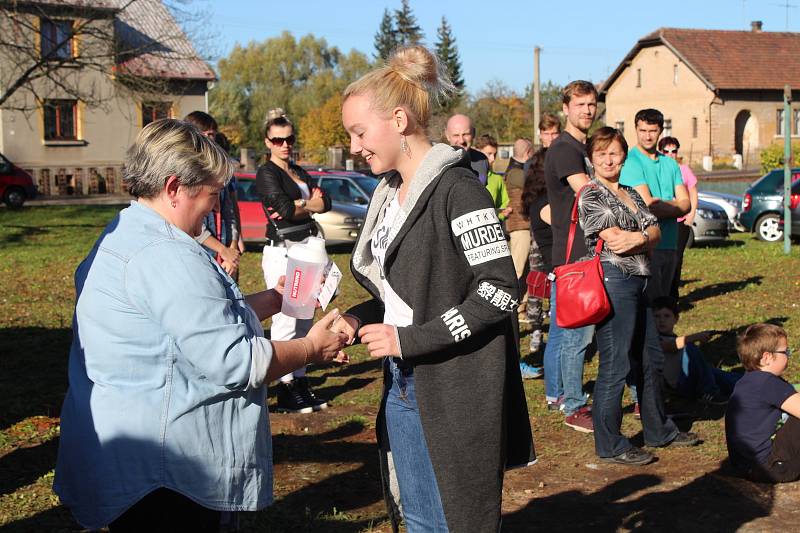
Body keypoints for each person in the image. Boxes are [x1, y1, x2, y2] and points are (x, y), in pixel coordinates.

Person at [53, 119, 348, 532]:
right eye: (212, 195)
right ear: (174, 188)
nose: (214, 207)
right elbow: (238, 361)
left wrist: (274, 299)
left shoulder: (127, 235)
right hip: (167, 472)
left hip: (136, 456)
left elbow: (189, 323)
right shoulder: (167, 256)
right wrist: (312, 348)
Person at [338, 45, 535, 532]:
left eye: (359, 132)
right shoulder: (389, 194)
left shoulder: (458, 190)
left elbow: (498, 291)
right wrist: (357, 319)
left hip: (455, 389)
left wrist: (410, 340)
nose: (354, 146)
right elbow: (406, 295)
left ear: (399, 120)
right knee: (421, 521)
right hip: (403, 386)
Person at [578, 126, 700, 466]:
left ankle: (658, 429)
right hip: (614, 281)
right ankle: (611, 443)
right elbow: (616, 239)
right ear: (592, 158)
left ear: (623, 155)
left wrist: (641, 237)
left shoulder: (630, 191)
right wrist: (642, 236)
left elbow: (658, 231)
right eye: (601, 154)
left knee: (650, 359)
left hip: (642, 280)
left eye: (614, 153)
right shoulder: (591, 194)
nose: (608, 159)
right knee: (616, 364)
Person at [256, 108, 333, 413]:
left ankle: (300, 381)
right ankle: (285, 385)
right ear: (267, 141)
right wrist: (307, 203)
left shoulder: (298, 171)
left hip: (307, 249)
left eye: (289, 139)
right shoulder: (266, 173)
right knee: (287, 317)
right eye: (278, 140)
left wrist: (307, 204)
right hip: (282, 251)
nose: (284, 145)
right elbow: (284, 209)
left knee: (304, 317)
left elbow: (325, 201)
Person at [543, 80, 597, 429]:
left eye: (592, 104)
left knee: (565, 330)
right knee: (577, 333)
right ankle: (573, 405)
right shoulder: (565, 148)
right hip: (574, 255)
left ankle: (560, 394)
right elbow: (589, 194)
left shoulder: (581, 146)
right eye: (580, 105)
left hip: (578, 252)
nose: (587, 110)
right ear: (566, 109)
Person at [619, 109, 689, 301]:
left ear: (660, 131)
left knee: (666, 302)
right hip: (647, 246)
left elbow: (687, 204)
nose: (647, 136)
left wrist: (668, 206)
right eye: (642, 130)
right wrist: (676, 206)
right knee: (650, 306)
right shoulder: (630, 162)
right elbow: (648, 206)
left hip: (670, 243)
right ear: (636, 129)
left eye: (652, 131)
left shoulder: (670, 164)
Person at [726, 323, 800, 483]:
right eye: (785, 352)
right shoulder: (769, 383)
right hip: (773, 468)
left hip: (747, 466)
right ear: (767, 357)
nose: (788, 355)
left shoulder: (747, 381)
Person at [183, 111, 243, 279]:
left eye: (213, 135)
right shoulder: (187, 175)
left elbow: (229, 212)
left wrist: (232, 249)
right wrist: (223, 251)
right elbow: (193, 224)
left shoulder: (220, 170)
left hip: (225, 254)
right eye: (208, 134)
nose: (213, 139)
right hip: (201, 256)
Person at [652, 296, 742, 404]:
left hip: (693, 379)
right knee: (690, 348)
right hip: (680, 386)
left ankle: (753, 384)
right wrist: (695, 337)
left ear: (675, 319)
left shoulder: (675, 338)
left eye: (666, 316)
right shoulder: (652, 339)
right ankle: (709, 392)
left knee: (722, 376)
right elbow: (669, 346)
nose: (662, 320)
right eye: (657, 316)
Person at [522, 113, 560, 364]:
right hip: (541, 226)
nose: (549, 137)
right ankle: (537, 328)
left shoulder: (566, 157)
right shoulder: (534, 162)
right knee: (537, 280)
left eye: (553, 133)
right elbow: (528, 194)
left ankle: (555, 321)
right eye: (545, 133)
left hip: (558, 228)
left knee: (556, 280)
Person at [657, 136, 699, 299]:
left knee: (676, 258)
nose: (670, 154)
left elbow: (693, 194)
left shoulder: (684, 170)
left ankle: (672, 295)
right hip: (662, 220)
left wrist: (690, 216)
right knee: (660, 257)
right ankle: (660, 294)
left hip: (680, 222)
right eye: (666, 151)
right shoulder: (657, 169)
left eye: (673, 151)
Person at [505, 138, 535, 324]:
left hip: (526, 225)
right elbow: (533, 184)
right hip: (519, 226)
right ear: (528, 153)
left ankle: (520, 309)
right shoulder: (515, 173)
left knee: (526, 270)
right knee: (516, 269)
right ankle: (508, 310)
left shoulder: (517, 170)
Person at [474, 134, 511, 220]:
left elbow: (503, 205)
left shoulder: (497, 179)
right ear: (477, 151)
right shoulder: (466, 174)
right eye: (489, 154)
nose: (493, 158)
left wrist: (501, 216)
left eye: (495, 154)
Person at [444, 113, 489, 185]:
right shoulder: (440, 162)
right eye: (456, 135)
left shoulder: (482, 160)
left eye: (466, 134)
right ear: (447, 136)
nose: (461, 141)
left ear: (474, 133)